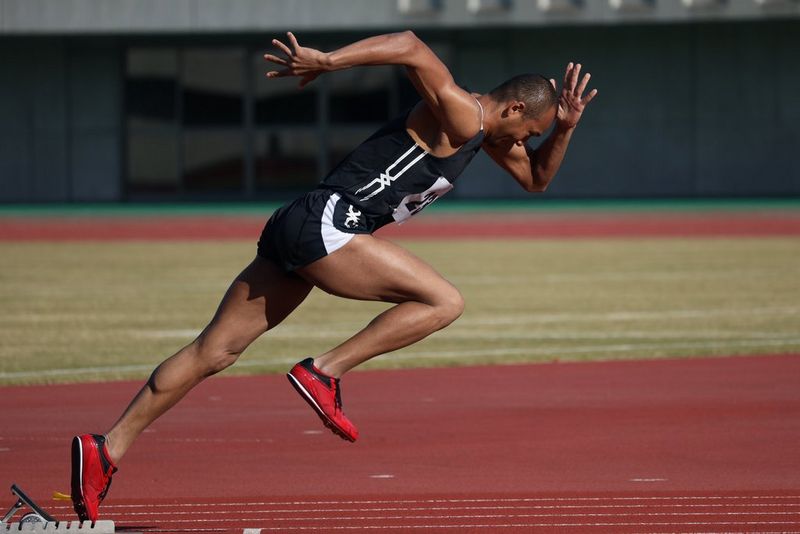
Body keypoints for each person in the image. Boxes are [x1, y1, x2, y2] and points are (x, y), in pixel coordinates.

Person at [69, 30, 597, 522]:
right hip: (331, 223)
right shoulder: (463, 115)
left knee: (216, 351)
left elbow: (537, 180)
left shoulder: (488, 136)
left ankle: (105, 448)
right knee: (443, 302)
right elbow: (411, 46)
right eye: (530, 131)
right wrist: (328, 61)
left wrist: (565, 128)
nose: (526, 142)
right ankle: (325, 371)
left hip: (301, 221)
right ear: (515, 108)